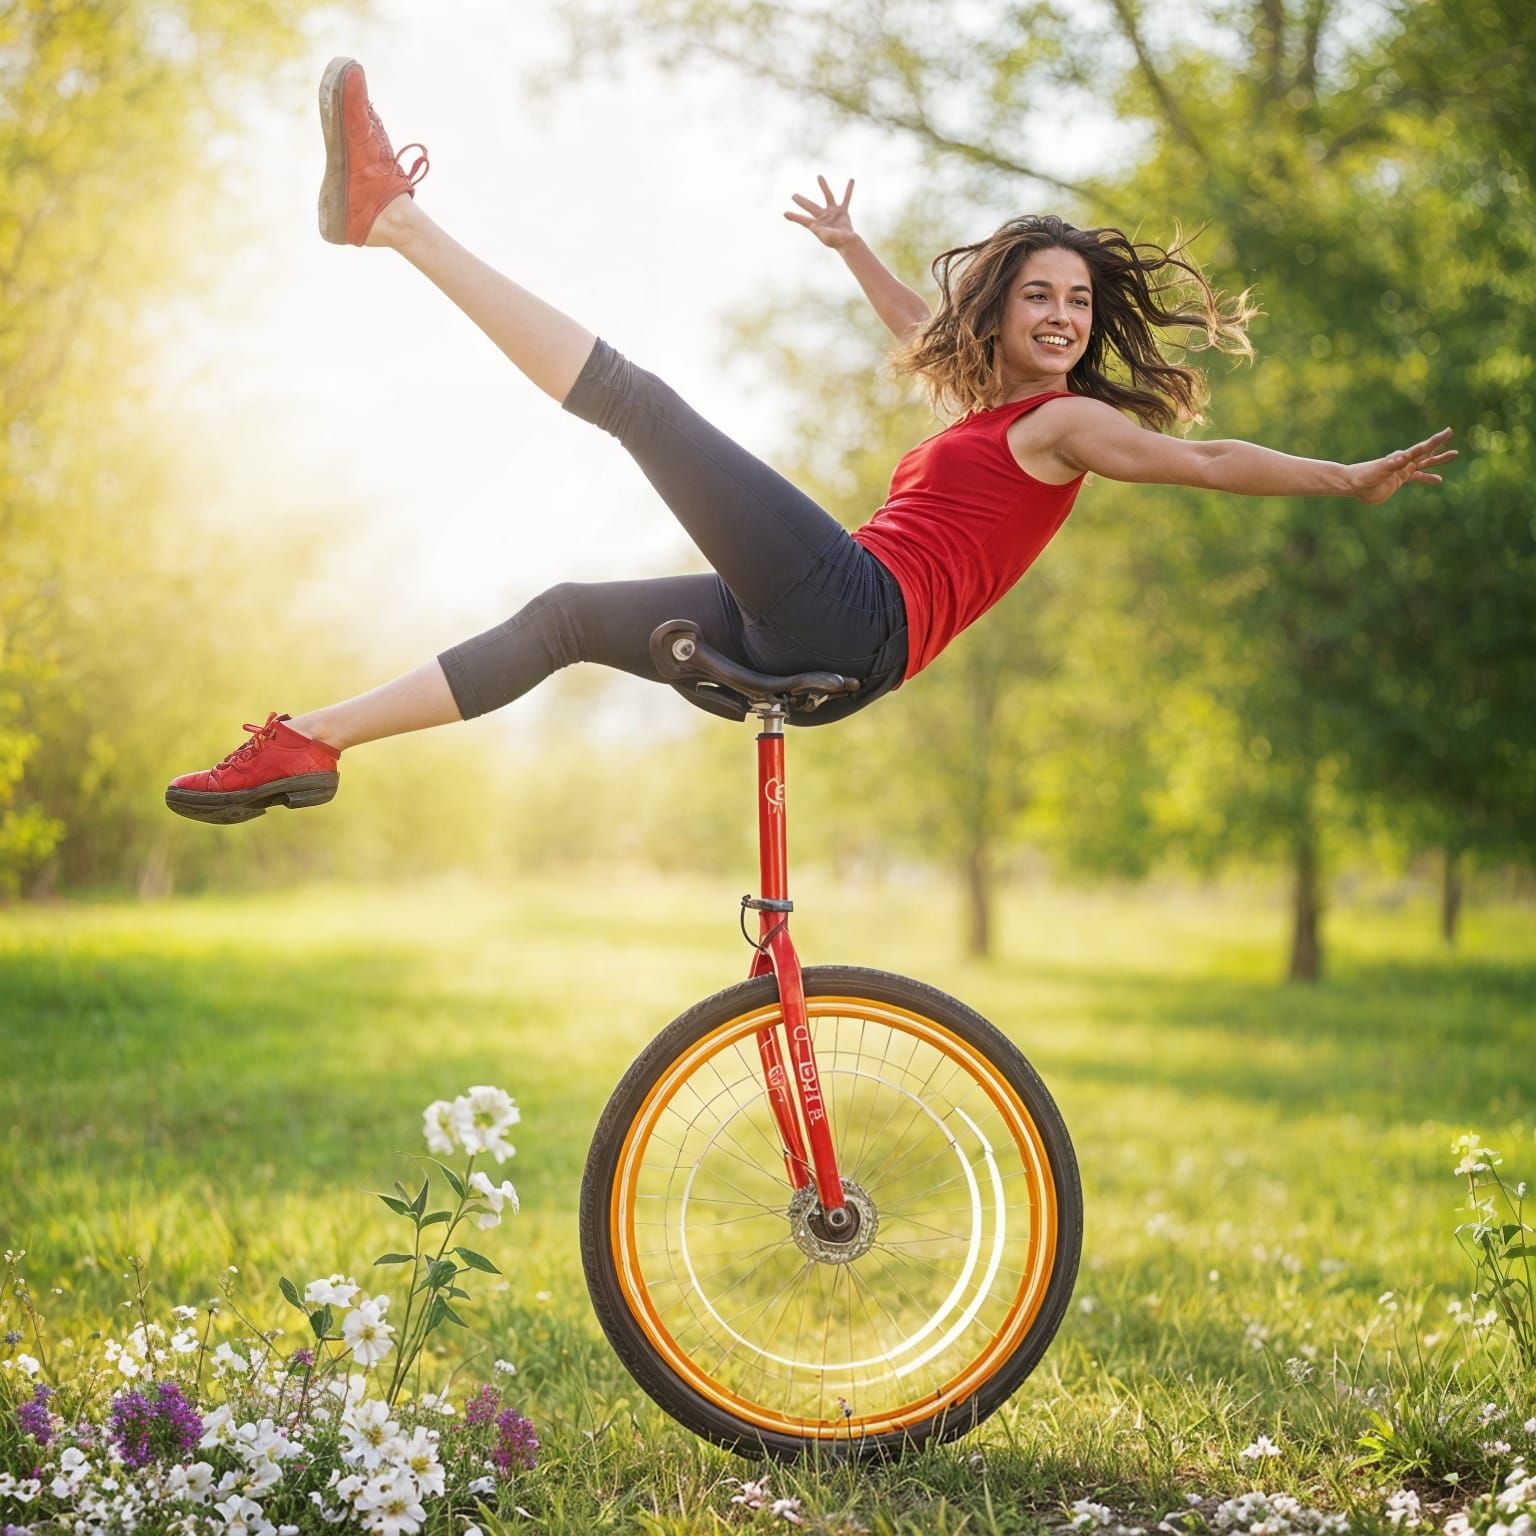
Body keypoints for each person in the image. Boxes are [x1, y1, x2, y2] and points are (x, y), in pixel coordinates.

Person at [164, 57, 1456, 825]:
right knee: (562, 614)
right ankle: (313, 742)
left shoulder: (1070, 424)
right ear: (1005, 313)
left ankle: (394, 222)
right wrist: (856, 253)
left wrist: (1339, 477)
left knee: (645, 407)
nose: (1064, 317)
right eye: (1040, 297)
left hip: (852, 615)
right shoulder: (998, 414)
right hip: (831, 633)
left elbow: (1212, 462)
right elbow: (924, 332)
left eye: (1079, 302)